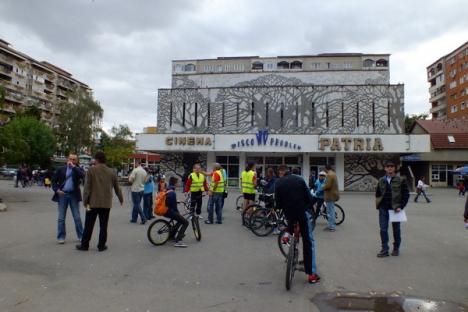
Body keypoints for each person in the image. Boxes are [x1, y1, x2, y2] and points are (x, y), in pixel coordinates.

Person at [275, 165, 320, 284]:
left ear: (281, 172)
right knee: (308, 241)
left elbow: (278, 204)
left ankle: (289, 239)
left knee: (291, 228)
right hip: (302, 214)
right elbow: (310, 199)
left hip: (289, 215)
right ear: (289, 171)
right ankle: (311, 274)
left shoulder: (279, 183)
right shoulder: (299, 180)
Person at [76, 152, 124, 252]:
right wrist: (121, 199)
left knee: (88, 225)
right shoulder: (111, 172)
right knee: (103, 226)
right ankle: (101, 246)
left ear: (96, 160)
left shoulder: (91, 170)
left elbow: (87, 188)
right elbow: (117, 188)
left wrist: (85, 201)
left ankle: (84, 245)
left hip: (92, 203)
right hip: (106, 204)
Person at [375, 160, 410, 257]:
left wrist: (400, 206)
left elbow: (406, 195)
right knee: (383, 229)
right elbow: (378, 193)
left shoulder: (401, 180)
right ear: (385, 168)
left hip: (395, 209)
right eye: (388, 166)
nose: (390, 168)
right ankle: (384, 249)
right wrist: (379, 203)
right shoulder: (381, 180)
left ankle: (396, 248)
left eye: (391, 166)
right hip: (383, 208)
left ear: (394, 168)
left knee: (396, 230)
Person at [51, 154, 85, 244]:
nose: (72, 161)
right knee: (61, 218)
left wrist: (74, 167)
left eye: (74, 159)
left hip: (74, 195)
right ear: (67, 159)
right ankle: (61, 237)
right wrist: (57, 190)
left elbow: (83, 175)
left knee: (77, 217)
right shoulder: (61, 169)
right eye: (70, 159)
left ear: (76, 161)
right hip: (62, 195)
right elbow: (53, 180)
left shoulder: (78, 169)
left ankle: (81, 236)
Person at [165, 176, 189, 247]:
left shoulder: (169, 188)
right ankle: (179, 240)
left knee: (179, 220)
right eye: (178, 182)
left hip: (166, 210)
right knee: (185, 222)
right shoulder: (172, 192)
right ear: (175, 183)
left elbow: (169, 201)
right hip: (169, 211)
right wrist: (177, 212)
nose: (179, 183)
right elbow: (173, 206)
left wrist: (176, 201)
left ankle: (171, 236)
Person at [322, 164, 340, 232]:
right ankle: (330, 225)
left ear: (326, 168)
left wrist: (322, 187)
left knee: (330, 212)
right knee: (330, 211)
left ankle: (332, 227)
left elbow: (328, 186)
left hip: (330, 195)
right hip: (332, 195)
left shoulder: (329, 175)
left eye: (324, 169)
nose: (324, 170)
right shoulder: (333, 174)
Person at [128, 160, 147, 224]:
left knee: (136, 204)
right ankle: (134, 218)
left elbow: (130, 180)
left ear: (137, 163)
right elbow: (145, 181)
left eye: (135, 163)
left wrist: (129, 177)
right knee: (137, 204)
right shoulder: (144, 171)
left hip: (135, 189)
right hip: (142, 189)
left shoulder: (135, 170)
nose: (134, 164)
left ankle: (143, 217)